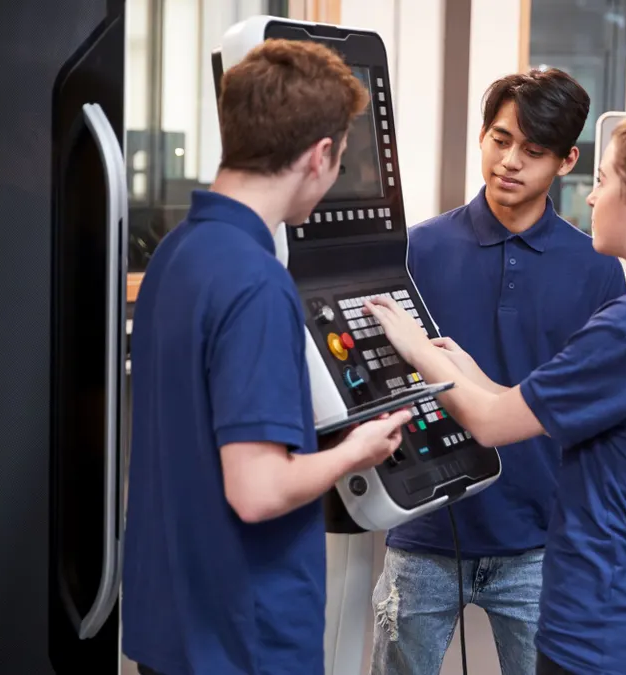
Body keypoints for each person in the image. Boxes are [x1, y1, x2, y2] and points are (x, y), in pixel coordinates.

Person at [366, 115, 626, 675]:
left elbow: (494, 424)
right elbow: (536, 405)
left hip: (608, 619)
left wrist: (413, 344)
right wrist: (467, 369)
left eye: (602, 181)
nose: (593, 197)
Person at [121, 40, 412, 675]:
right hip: (244, 636)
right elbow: (256, 491)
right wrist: (356, 451)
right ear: (322, 155)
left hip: (175, 621)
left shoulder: (176, 253)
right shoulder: (255, 282)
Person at [369, 68, 626, 675]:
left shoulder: (595, 269)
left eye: (533, 151)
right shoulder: (416, 249)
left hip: (541, 542)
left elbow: (593, 413)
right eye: (499, 139)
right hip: (425, 528)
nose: (510, 161)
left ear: (567, 162)